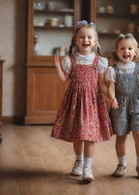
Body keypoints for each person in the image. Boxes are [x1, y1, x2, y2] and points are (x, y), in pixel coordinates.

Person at [51, 20, 112, 182]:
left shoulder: (99, 61)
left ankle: (87, 167)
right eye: (82, 37)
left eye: (89, 37)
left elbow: (101, 85)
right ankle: (78, 161)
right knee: (78, 134)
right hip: (75, 102)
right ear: (76, 40)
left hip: (92, 102)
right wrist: (57, 66)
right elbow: (65, 80)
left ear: (94, 41)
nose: (86, 40)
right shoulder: (70, 60)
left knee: (89, 135)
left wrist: (111, 97)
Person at [106, 33, 139, 179]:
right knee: (121, 136)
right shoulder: (113, 70)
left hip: (137, 104)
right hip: (119, 105)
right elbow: (111, 87)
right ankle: (121, 165)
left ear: (135, 51)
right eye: (122, 48)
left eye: (129, 48)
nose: (126, 51)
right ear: (116, 50)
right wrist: (112, 98)